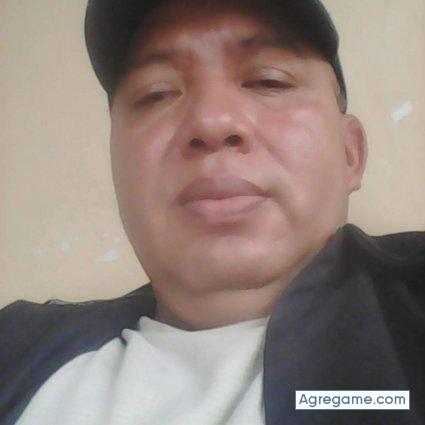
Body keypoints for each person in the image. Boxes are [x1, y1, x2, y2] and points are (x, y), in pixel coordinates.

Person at [1, 0, 424, 424]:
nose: (211, 120)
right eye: (156, 94)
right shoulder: (14, 347)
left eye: (268, 81)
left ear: (351, 153)